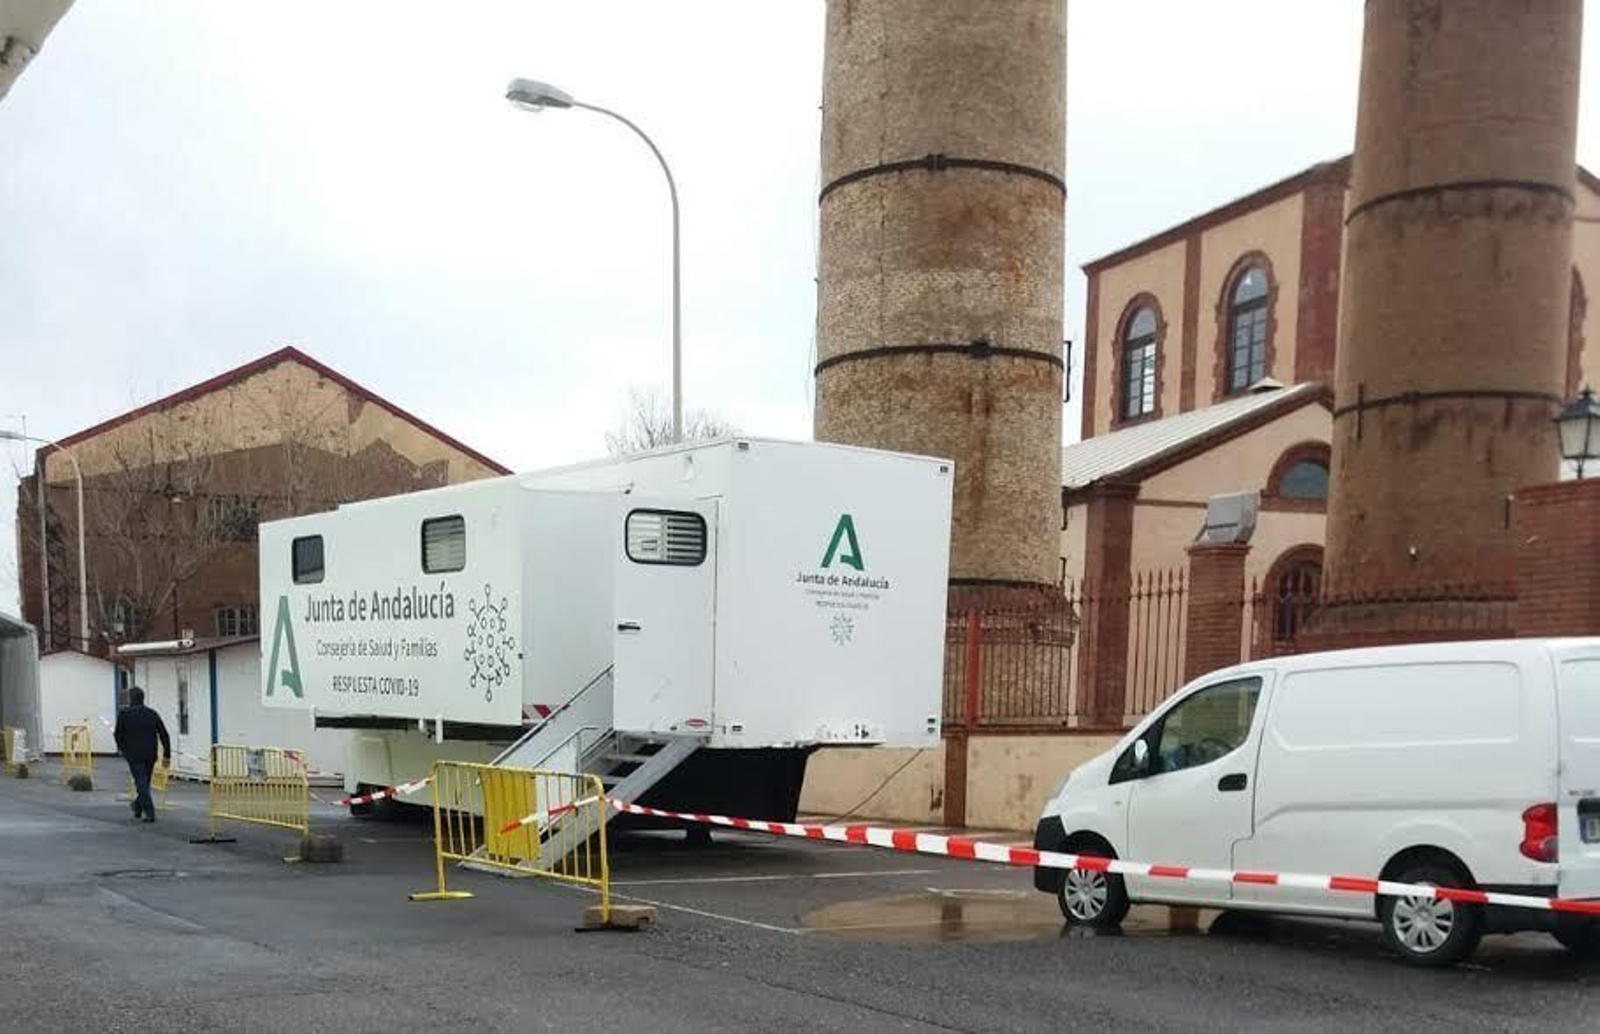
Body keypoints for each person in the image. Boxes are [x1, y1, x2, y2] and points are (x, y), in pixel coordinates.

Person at [113, 686, 171, 823]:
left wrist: (122, 749)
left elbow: (118, 734)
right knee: (145, 782)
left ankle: (149, 812)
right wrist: (167, 755)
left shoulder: (124, 714)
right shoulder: (152, 714)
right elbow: (164, 734)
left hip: (133, 755)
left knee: (141, 782)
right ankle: (137, 806)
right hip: (150, 754)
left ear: (130, 699)